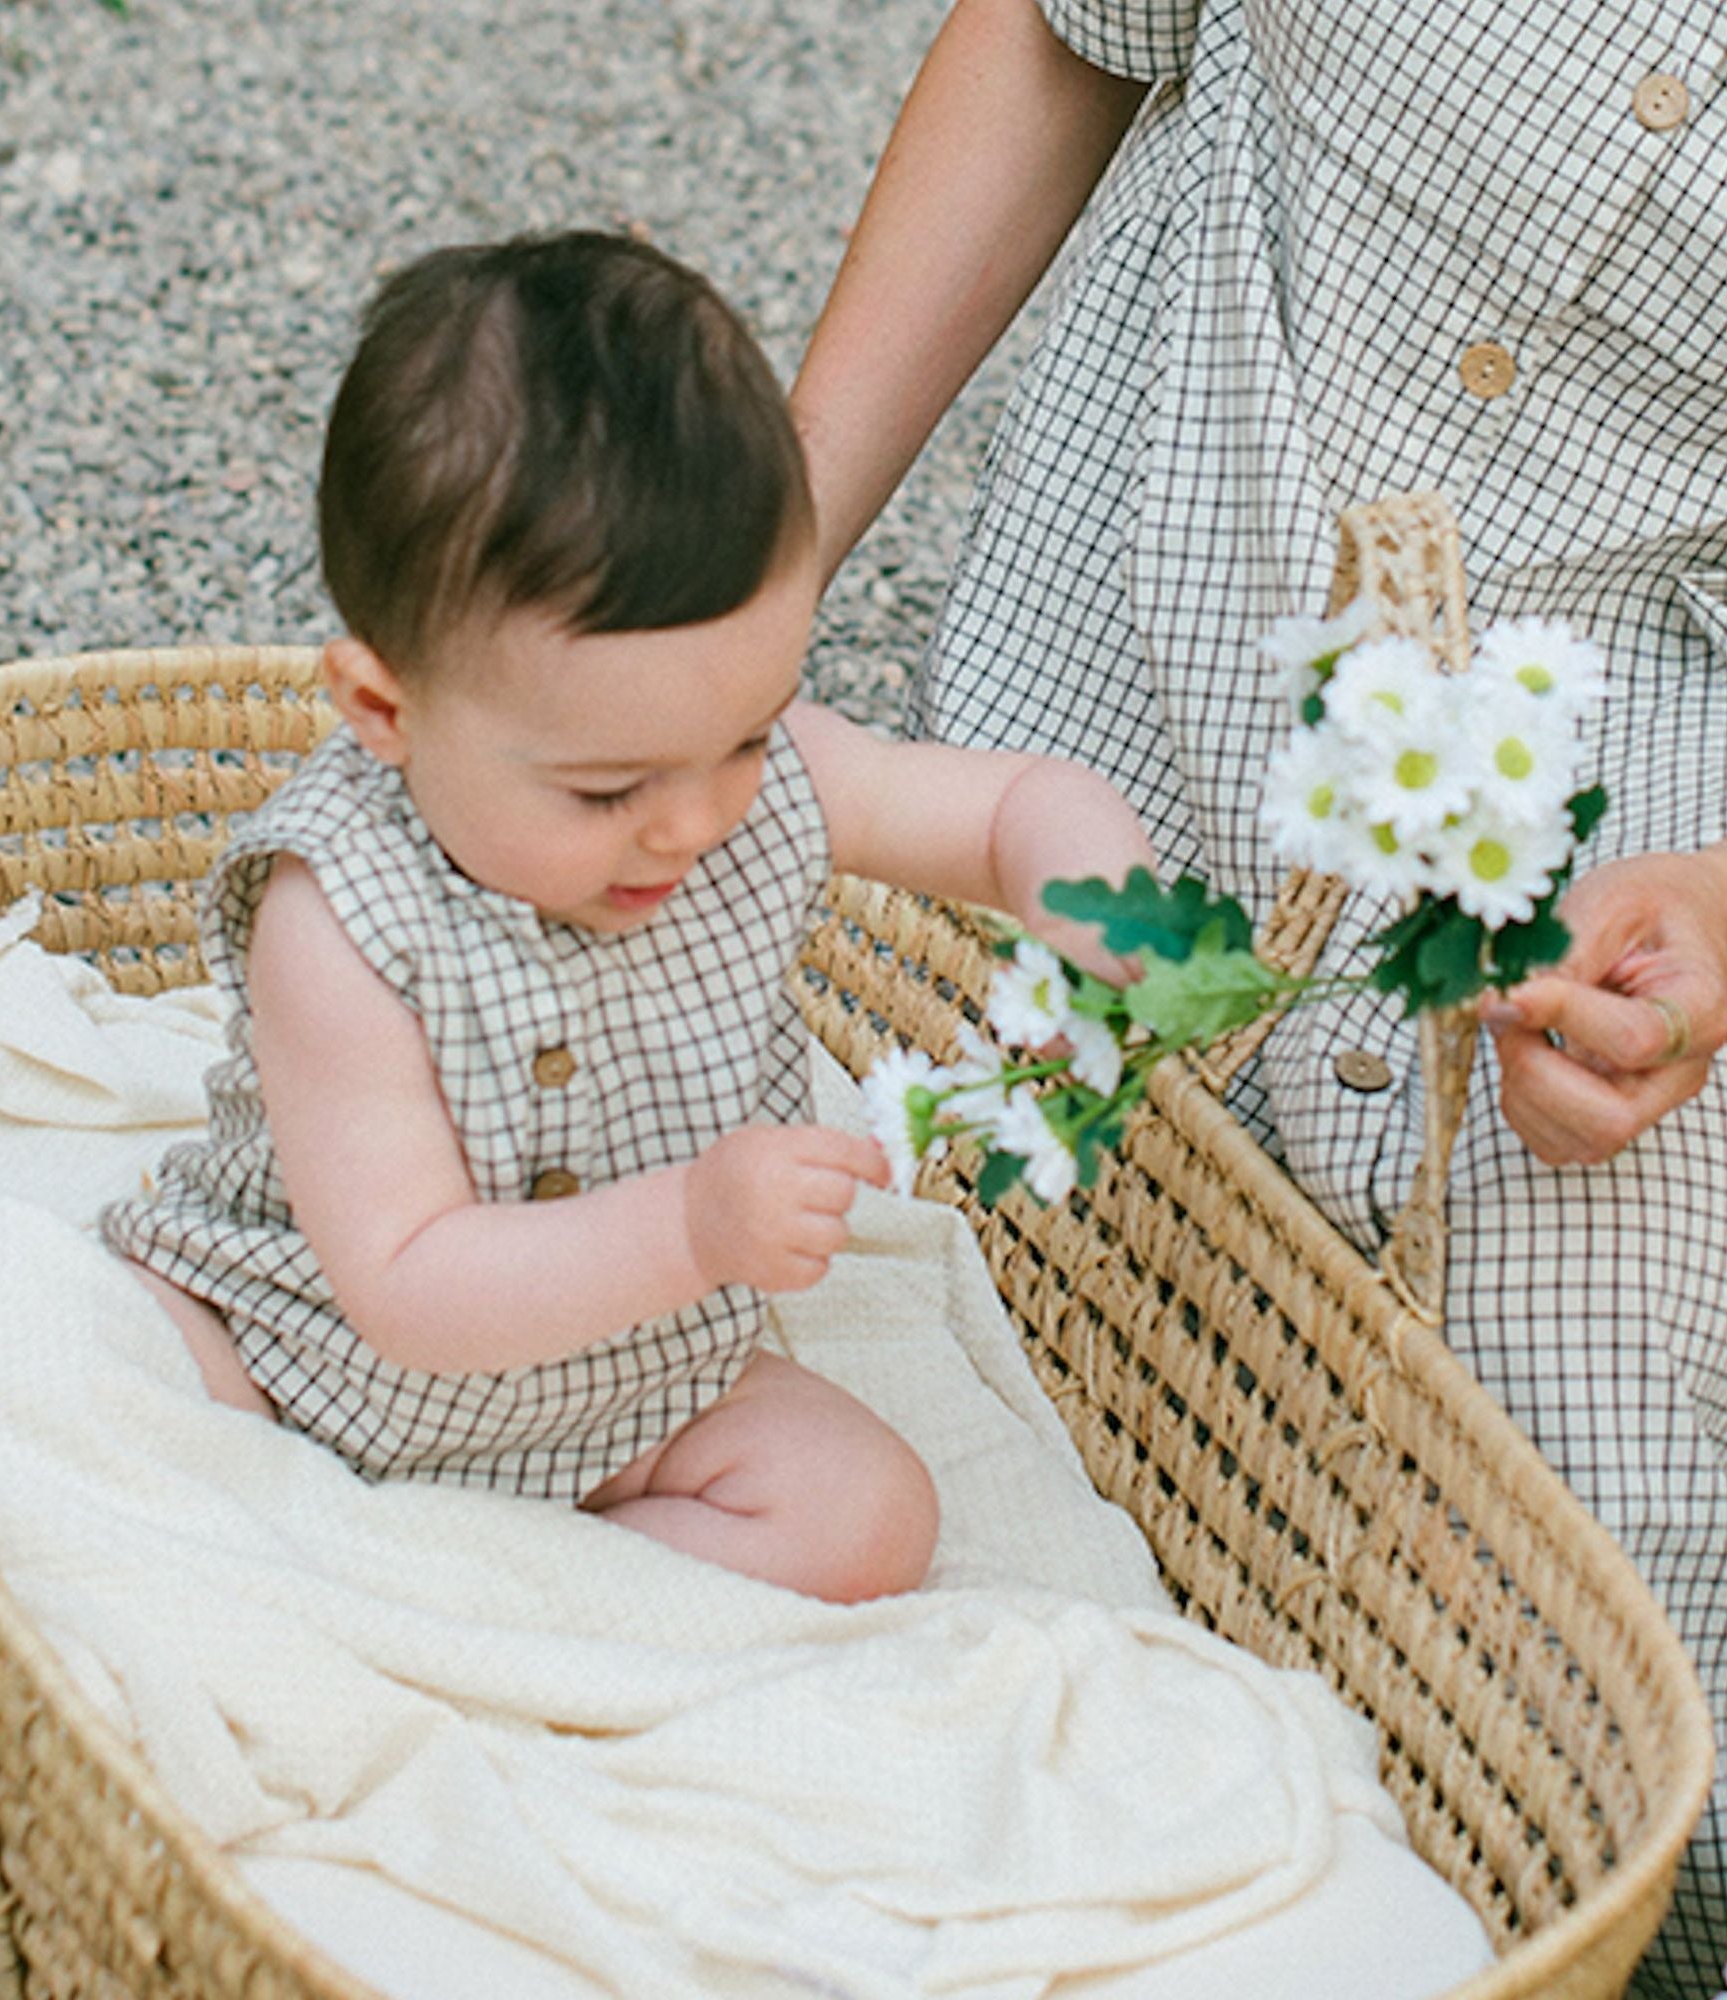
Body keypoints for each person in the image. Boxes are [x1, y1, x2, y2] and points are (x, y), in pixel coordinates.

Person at [790, 0, 1727, 1986]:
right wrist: (742, 578)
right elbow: (1058, 31)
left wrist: (1718, 912)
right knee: (888, 1453)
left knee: (1600, 1775)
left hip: (1601, 820)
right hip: (1141, 685)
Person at [101, 229, 1154, 1607]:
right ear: (385, 712)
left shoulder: (746, 787)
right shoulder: (338, 920)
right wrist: (694, 1232)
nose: (692, 822)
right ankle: (346, 1561)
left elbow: (1009, 805)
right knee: (132, 1433)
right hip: (311, 1359)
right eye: (607, 788)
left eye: (750, 734)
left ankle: (514, 1598)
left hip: (631, 1387)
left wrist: (1098, 906)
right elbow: (408, 1283)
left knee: (869, 1519)